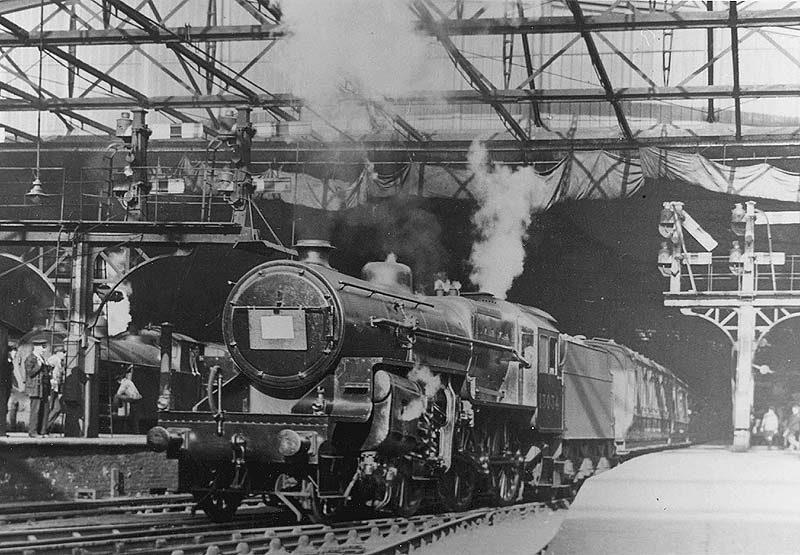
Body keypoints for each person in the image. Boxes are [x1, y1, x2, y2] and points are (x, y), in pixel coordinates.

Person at [25, 338, 51, 437]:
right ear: (36, 347)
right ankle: (33, 431)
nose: (44, 350)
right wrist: (38, 366)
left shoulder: (41, 358)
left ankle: (42, 431)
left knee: (44, 410)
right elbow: (29, 373)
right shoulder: (31, 358)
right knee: (35, 410)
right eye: (42, 347)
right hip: (35, 389)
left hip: (42, 389)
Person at [114, 365, 142, 433]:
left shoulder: (124, 383)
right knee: (134, 415)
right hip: (137, 398)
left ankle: (114, 410)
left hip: (133, 398)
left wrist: (118, 404)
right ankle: (136, 430)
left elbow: (118, 393)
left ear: (119, 380)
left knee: (116, 396)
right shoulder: (129, 381)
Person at [45, 347, 66, 433]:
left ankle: (46, 427)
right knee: (51, 407)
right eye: (63, 352)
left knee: (57, 408)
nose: (64, 354)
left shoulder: (59, 361)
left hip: (56, 388)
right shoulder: (54, 359)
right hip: (52, 388)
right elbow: (47, 369)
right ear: (58, 352)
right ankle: (43, 428)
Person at [61, 366, 86, 437]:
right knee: (75, 417)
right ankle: (74, 433)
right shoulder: (76, 380)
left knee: (69, 417)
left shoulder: (68, 378)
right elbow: (78, 393)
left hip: (67, 400)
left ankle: (68, 433)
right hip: (75, 400)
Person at [7, 346, 26, 431]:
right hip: (8, 387)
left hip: (11, 387)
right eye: (14, 352)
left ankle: (12, 426)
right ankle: (11, 426)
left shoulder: (12, 361)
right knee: (11, 406)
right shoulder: (7, 361)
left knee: (13, 405)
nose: (15, 354)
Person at [0, 344, 13, 435]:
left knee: (5, 406)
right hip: (4, 386)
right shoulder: (5, 361)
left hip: (7, 386)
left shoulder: (10, 361)